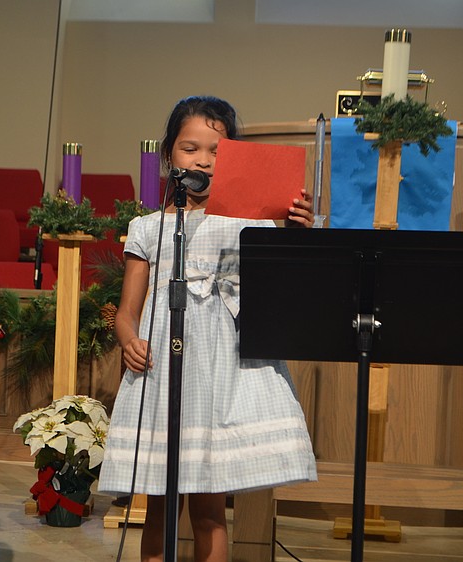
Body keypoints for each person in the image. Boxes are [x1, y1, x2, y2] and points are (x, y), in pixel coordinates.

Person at [98, 95, 318, 562]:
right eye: (189, 148)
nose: (202, 159)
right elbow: (126, 311)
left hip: (220, 373)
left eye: (216, 150)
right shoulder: (149, 228)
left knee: (209, 512)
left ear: (235, 156)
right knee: (158, 509)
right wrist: (129, 340)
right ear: (168, 155)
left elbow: (285, 287)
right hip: (163, 372)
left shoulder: (249, 221)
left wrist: (298, 229)